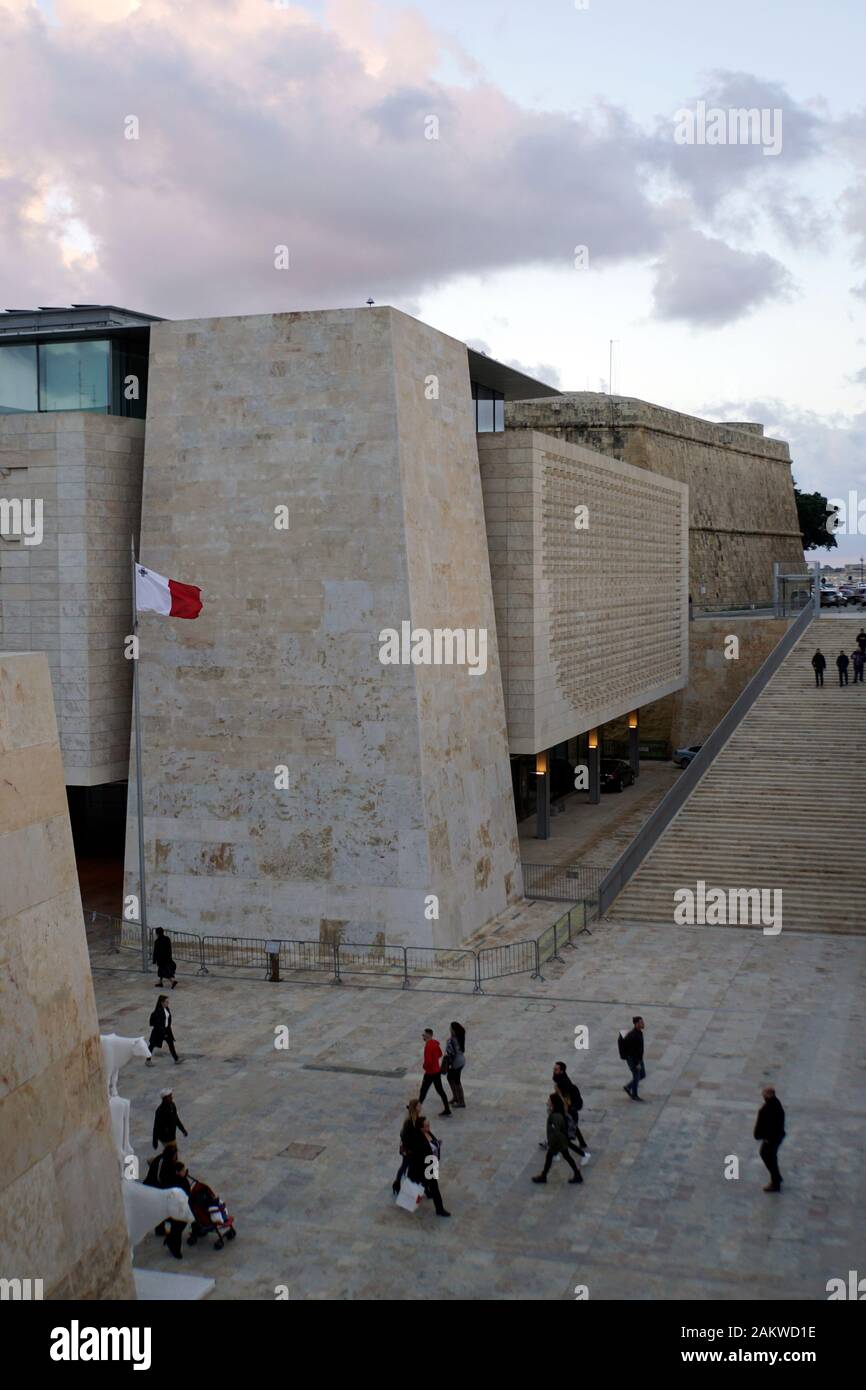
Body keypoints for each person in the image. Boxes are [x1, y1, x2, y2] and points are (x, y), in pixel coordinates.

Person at [532, 1094, 582, 1185]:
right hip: (560, 1141)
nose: (547, 1102)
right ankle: (577, 1174)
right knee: (566, 1157)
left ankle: (543, 1176)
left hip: (558, 1142)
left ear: (553, 1103)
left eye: (549, 1101)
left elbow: (556, 1132)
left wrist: (552, 1144)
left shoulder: (555, 1117)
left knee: (552, 1157)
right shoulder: (556, 1113)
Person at [408, 1114, 451, 1216]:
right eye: (426, 1126)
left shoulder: (428, 1133)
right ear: (421, 1128)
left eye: (429, 1125)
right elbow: (419, 1155)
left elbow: (432, 1144)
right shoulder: (418, 1139)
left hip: (431, 1164)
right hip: (425, 1167)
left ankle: (426, 1193)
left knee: (427, 1185)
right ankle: (439, 1209)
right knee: (433, 1187)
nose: (429, 1127)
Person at [552, 1061, 590, 1160]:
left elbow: (566, 1099)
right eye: (554, 1068)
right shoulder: (559, 1078)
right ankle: (582, 1143)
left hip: (569, 1108)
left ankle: (555, 1150)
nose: (554, 1070)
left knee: (564, 1130)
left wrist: (558, 1093)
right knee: (572, 1125)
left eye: (556, 1069)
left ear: (561, 1071)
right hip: (568, 1108)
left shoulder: (564, 1082)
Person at [753, 1086, 786, 1193]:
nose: (763, 1096)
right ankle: (776, 1178)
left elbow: (771, 1125)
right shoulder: (774, 1104)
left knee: (767, 1156)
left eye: (764, 1094)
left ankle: (776, 1181)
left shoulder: (770, 1108)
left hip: (771, 1138)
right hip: (775, 1137)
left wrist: (767, 1138)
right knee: (769, 1156)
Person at [418, 1028, 451, 1117]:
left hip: (430, 1072)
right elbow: (440, 1054)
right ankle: (447, 1109)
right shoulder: (435, 1043)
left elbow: (428, 1061)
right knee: (440, 1090)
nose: (423, 1036)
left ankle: (416, 1108)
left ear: (428, 1035)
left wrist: (424, 1066)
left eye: (424, 1035)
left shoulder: (428, 1046)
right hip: (437, 1071)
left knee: (423, 1090)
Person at [392, 1099, 422, 1195]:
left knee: (408, 1166)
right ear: (415, 1108)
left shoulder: (417, 1119)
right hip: (409, 1150)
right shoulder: (409, 1122)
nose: (421, 1107)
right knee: (405, 1166)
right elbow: (404, 1136)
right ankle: (397, 1183)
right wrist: (410, 1149)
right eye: (419, 1106)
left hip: (414, 1149)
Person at [147, 994, 181, 1064]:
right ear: (162, 1002)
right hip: (158, 1032)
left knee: (171, 1044)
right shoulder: (158, 1012)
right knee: (152, 1045)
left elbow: (168, 1018)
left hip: (166, 1030)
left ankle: (176, 1059)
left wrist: (168, 1027)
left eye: (168, 1001)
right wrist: (164, 1032)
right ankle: (148, 1060)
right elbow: (157, 1024)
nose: (168, 1003)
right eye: (166, 1002)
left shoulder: (167, 1008)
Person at [622, 1016, 646, 1101]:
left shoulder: (639, 1032)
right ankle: (634, 1095)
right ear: (636, 1024)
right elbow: (632, 1052)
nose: (643, 1023)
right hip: (634, 1060)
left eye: (642, 1022)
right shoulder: (633, 1036)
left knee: (642, 1075)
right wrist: (637, 1063)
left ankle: (628, 1087)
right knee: (636, 1076)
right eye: (641, 1022)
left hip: (639, 1058)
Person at [444, 1022, 466, 1109]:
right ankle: (456, 1097)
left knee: (456, 1081)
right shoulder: (460, 1037)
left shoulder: (452, 1040)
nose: (449, 1029)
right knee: (450, 1077)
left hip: (456, 1062)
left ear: (453, 1030)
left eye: (450, 1028)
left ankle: (461, 1101)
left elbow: (450, 1053)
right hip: (461, 1060)